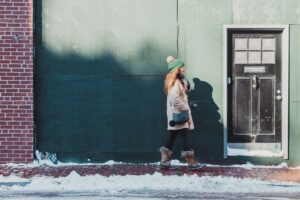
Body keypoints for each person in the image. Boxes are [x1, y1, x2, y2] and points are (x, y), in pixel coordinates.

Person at [159, 56, 202, 170]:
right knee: (184, 137)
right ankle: (191, 163)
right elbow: (175, 99)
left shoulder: (179, 81)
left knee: (173, 136)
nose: (184, 68)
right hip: (178, 114)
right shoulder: (174, 82)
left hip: (177, 114)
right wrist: (186, 107)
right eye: (182, 67)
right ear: (177, 69)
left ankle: (164, 160)